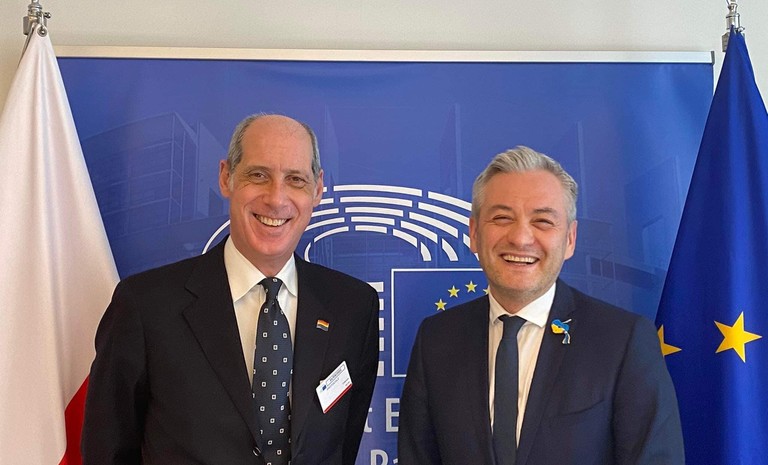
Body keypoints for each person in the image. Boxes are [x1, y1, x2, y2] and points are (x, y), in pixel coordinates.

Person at [82, 114, 380, 465]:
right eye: (259, 175)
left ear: (317, 190)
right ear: (226, 177)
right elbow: (108, 451)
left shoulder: (352, 308)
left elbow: (342, 447)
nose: (276, 198)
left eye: (295, 179)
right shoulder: (145, 306)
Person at [398, 146, 684, 465]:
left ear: (570, 239)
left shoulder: (623, 341)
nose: (521, 238)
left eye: (543, 221)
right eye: (502, 218)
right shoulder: (436, 340)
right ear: (474, 233)